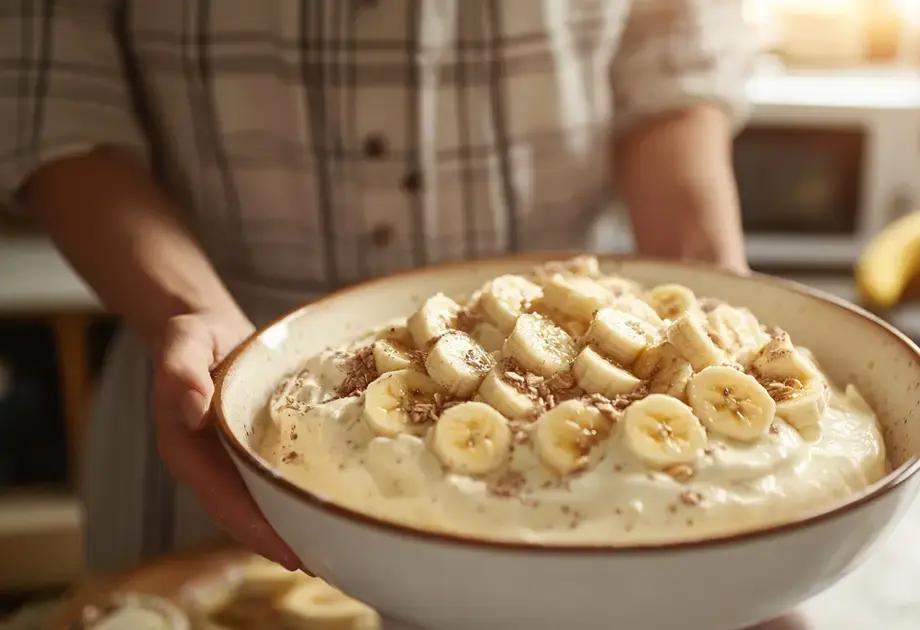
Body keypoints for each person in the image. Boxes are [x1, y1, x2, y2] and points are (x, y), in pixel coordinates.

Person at [0, 1, 753, 574]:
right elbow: (51, 102)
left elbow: (670, 62)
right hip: (228, 387)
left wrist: (710, 314)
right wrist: (190, 311)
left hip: (586, 373)